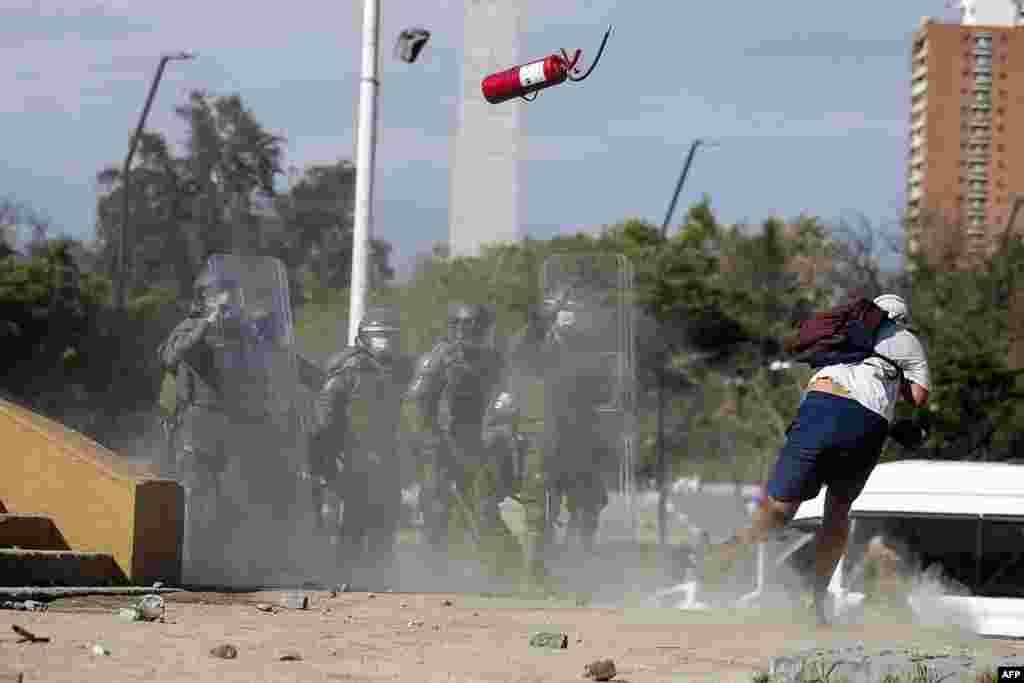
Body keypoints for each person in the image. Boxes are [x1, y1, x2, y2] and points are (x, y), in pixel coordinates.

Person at [700, 293, 931, 626]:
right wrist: (897, 392)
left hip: (820, 404)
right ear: (901, 320)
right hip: (867, 425)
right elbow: (919, 397)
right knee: (837, 513)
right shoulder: (906, 340)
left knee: (779, 510)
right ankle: (814, 600)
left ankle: (726, 555)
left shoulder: (846, 329)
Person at [309, 306, 414, 586]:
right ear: (365, 338)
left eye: (392, 337)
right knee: (354, 520)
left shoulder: (401, 370)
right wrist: (324, 458)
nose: (387, 343)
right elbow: (325, 417)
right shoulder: (349, 369)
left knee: (386, 520)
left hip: (387, 456)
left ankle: (379, 578)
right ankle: (345, 577)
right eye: (380, 336)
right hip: (355, 456)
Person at [405, 303, 510, 565]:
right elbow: (416, 403)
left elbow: (504, 396)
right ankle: (434, 567)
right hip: (441, 442)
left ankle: (495, 569)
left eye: (484, 329)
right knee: (437, 506)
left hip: (477, 443)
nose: (481, 335)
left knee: (484, 506)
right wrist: (430, 442)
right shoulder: (439, 357)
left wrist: (501, 428)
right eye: (478, 329)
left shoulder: (493, 359)